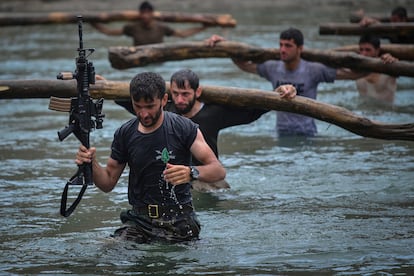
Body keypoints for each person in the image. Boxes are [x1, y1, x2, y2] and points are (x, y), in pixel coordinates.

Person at [75, 72, 226, 243]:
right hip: (139, 221)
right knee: (109, 250)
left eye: (150, 106)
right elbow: (107, 183)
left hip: (179, 219)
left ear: (163, 100)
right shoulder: (125, 134)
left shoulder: (184, 128)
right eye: (138, 106)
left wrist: (190, 172)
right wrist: (91, 163)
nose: (144, 114)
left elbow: (218, 170)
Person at [116, 69, 297, 191]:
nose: (179, 100)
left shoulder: (213, 113)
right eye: (176, 94)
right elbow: (133, 102)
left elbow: (251, 112)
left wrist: (278, 93)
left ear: (198, 92)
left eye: (185, 94)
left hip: (205, 178)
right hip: (171, 179)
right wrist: (99, 84)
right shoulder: (161, 111)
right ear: (167, 96)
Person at [209, 28, 365, 137]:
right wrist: (226, 45)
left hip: (307, 134)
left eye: (288, 46)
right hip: (281, 132)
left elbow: (351, 75)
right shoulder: (272, 67)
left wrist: (381, 62)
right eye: (281, 45)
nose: (283, 49)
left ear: (300, 48)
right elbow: (244, 64)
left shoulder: (313, 69)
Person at [90, 1, 210, 46]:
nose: (145, 16)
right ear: (140, 14)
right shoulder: (133, 27)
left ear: (152, 13)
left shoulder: (161, 27)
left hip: (157, 59)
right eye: (143, 13)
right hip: (138, 59)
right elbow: (110, 32)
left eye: (148, 13)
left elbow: (182, 34)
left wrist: (203, 27)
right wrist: (94, 23)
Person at [356, 34, 398, 104]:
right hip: (361, 113)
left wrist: (393, 61)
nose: (363, 54)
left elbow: (399, 68)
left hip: (387, 113)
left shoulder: (388, 66)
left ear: (377, 50)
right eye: (361, 50)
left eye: (368, 50)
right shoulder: (356, 68)